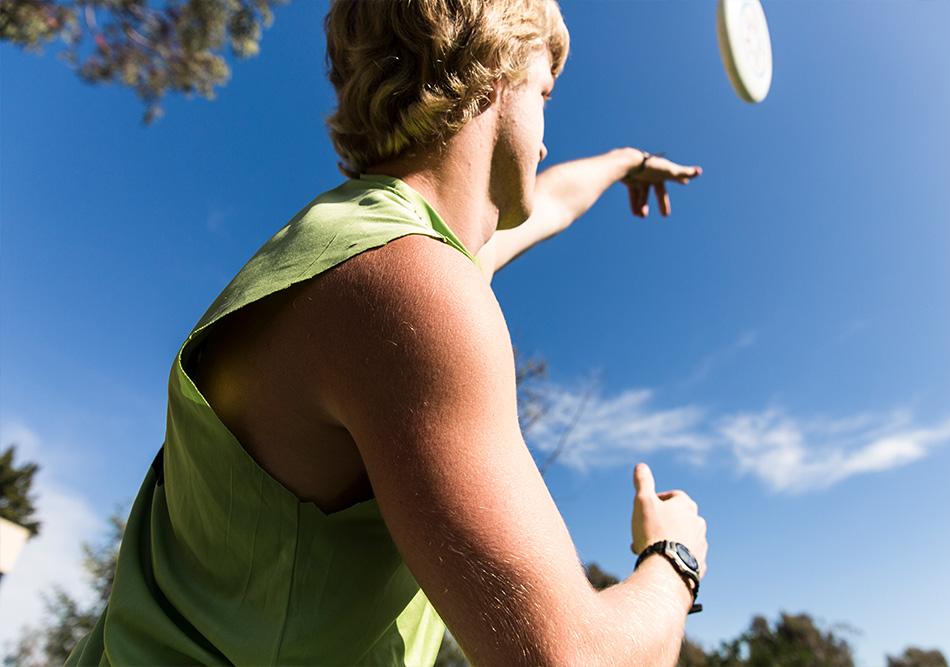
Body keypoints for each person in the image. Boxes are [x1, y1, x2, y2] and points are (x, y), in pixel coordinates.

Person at [67, 0, 708, 664]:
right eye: (545, 93)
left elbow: (551, 200)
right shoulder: (408, 286)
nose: (547, 137)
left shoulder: (359, 245)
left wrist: (627, 161)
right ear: (497, 71)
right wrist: (674, 556)